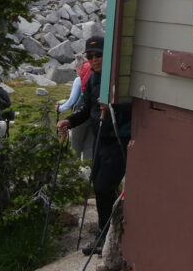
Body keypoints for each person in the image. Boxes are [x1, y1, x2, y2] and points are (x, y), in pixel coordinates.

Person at [57, 36, 131, 256]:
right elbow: (86, 109)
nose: (95, 59)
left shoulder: (118, 80)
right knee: (101, 188)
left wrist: (113, 107)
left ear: (107, 56)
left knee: (103, 188)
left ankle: (108, 237)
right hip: (101, 141)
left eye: (98, 55)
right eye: (90, 56)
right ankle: (108, 234)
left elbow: (132, 109)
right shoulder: (93, 80)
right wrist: (69, 121)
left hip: (117, 141)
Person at [57, 54, 94, 159]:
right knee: (89, 145)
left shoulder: (79, 80)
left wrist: (60, 109)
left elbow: (72, 100)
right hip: (93, 114)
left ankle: (73, 166)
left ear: (78, 67)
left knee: (76, 144)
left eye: (75, 69)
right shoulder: (94, 76)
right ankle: (87, 166)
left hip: (80, 114)